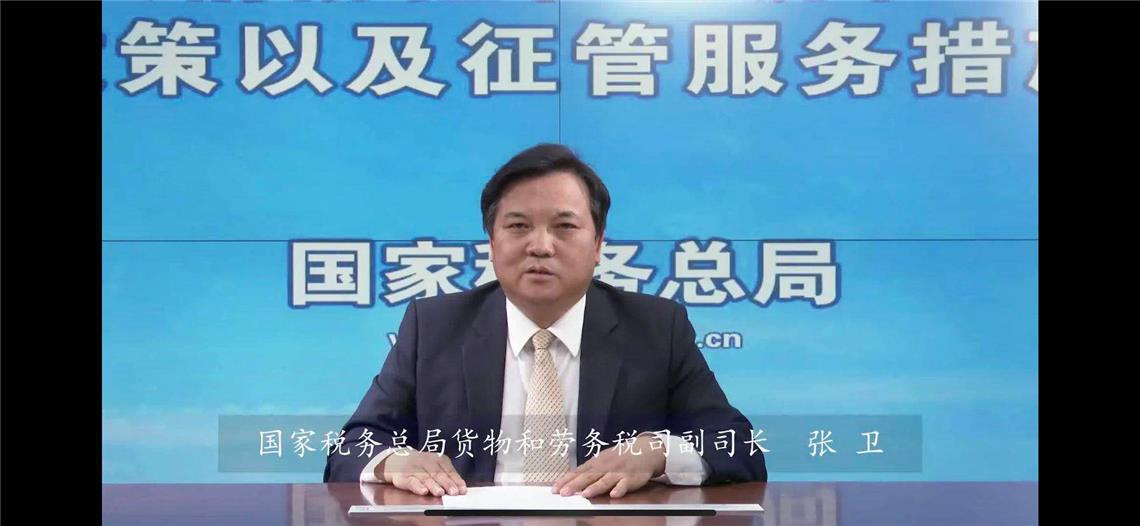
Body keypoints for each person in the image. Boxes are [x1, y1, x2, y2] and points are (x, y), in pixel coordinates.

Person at [324, 144, 765, 498]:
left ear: (598, 243)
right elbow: (351, 446)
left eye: (564, 227)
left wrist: (658, 452)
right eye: (518, 226)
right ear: (491, 243)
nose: (540, 246)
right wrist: (393, 461)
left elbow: (738, 446)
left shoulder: (655, 327)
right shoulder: (435, 326)